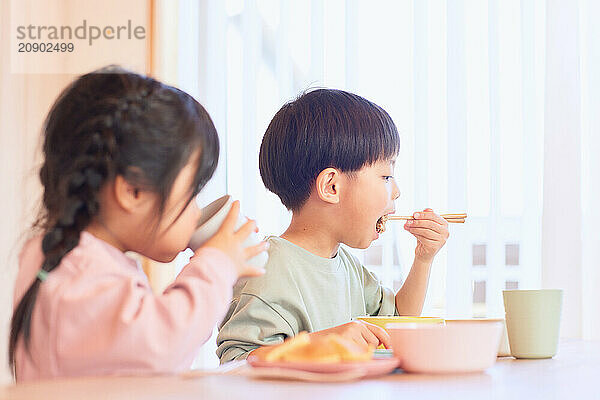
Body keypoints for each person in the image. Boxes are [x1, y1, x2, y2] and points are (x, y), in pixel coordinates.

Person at [9, 66, 267, 381]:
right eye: (192, 193)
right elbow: (161, 347)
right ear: (132, 191)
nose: (195, 210)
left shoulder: (61, 257)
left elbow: (139, 346)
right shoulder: (79, 270)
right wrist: (218, 265)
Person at [217, 89, 449, 363]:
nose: (396, 191)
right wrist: (320, 343)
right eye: (386, 176)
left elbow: (396, 325)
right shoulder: (268, 269)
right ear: (331, 186)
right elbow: (237, 363)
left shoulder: (347, 267)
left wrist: (423, 259)